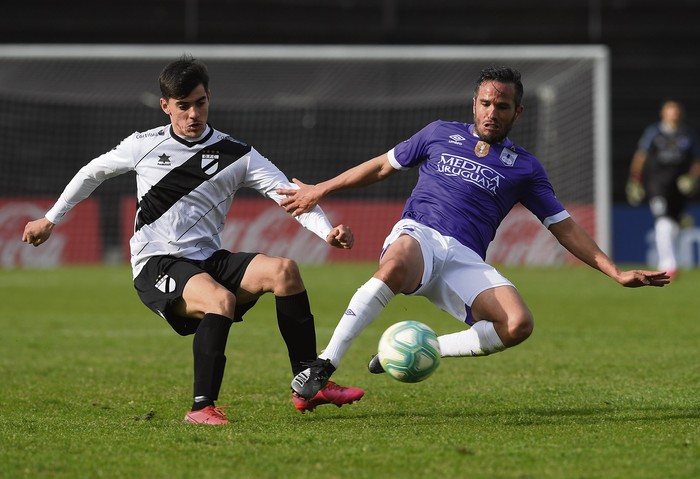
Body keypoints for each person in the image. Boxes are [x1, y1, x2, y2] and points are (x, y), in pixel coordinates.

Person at [279, 66, 671, 400]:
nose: (492, 112)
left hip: (465, 258)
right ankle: (323, 364)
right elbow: (382, 167)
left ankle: (419, 348)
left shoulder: (526, 168)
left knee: (517, 324)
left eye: (502, 106)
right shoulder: (438, 133)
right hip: (420, 233)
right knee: (395, 265)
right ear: (474, 104)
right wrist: (320, 189)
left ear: (518, 112)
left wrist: (614, 271)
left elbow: (563, 227)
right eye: (486, 103)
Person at [22, 55, 364, 425]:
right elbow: (92, 173)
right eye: (182, 106)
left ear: (209, 99)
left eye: (199, 103)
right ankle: (202, 408)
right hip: (157, 263)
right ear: (165, 106)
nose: (192, 115)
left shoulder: (237, 154)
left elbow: (290, 196)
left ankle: (308, 382)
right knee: (221, 299)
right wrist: (50, 218)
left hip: (207, 258)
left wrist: (326, 231)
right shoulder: (143, 145)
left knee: (285, 271)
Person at [627, 99, 700, 280]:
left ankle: (671, 262)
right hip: (657, 185)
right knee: (663, 222)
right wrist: (635, 180)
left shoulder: (687, 134)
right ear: (663, 113)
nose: (673, 114)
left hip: (678, 188)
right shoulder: (654, 133)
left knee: (673, 225)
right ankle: (668, 266)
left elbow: (697, 161)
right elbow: (641, 156)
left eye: (675, 110)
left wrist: (692, 177)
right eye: (669, 110)